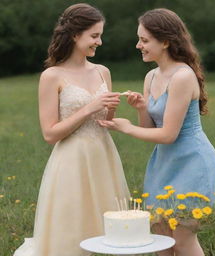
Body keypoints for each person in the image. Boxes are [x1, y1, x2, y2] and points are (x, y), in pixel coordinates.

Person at [99, 8, 215, 256]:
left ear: (165, 41)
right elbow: (150, 131)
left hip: (191, 163)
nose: (138, 45)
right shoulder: (151, 76)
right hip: (163, 163)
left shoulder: (183, 76)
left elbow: (168, 135)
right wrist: (142, 109)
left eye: (144, 40)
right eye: (139, 39)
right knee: (159, 239)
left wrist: (127, 128)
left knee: (183, 240)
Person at [14, 3, 130, 256]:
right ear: (75, 35)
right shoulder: (52, 76)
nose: (99, 42)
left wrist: (115, 107)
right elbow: (50, 134)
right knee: (72, 225)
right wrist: (89, 108)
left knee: (106, 226)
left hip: (103, 155)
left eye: (100, 35)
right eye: (94, 36)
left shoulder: (103, 72)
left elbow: (106, 121)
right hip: (71, 159)